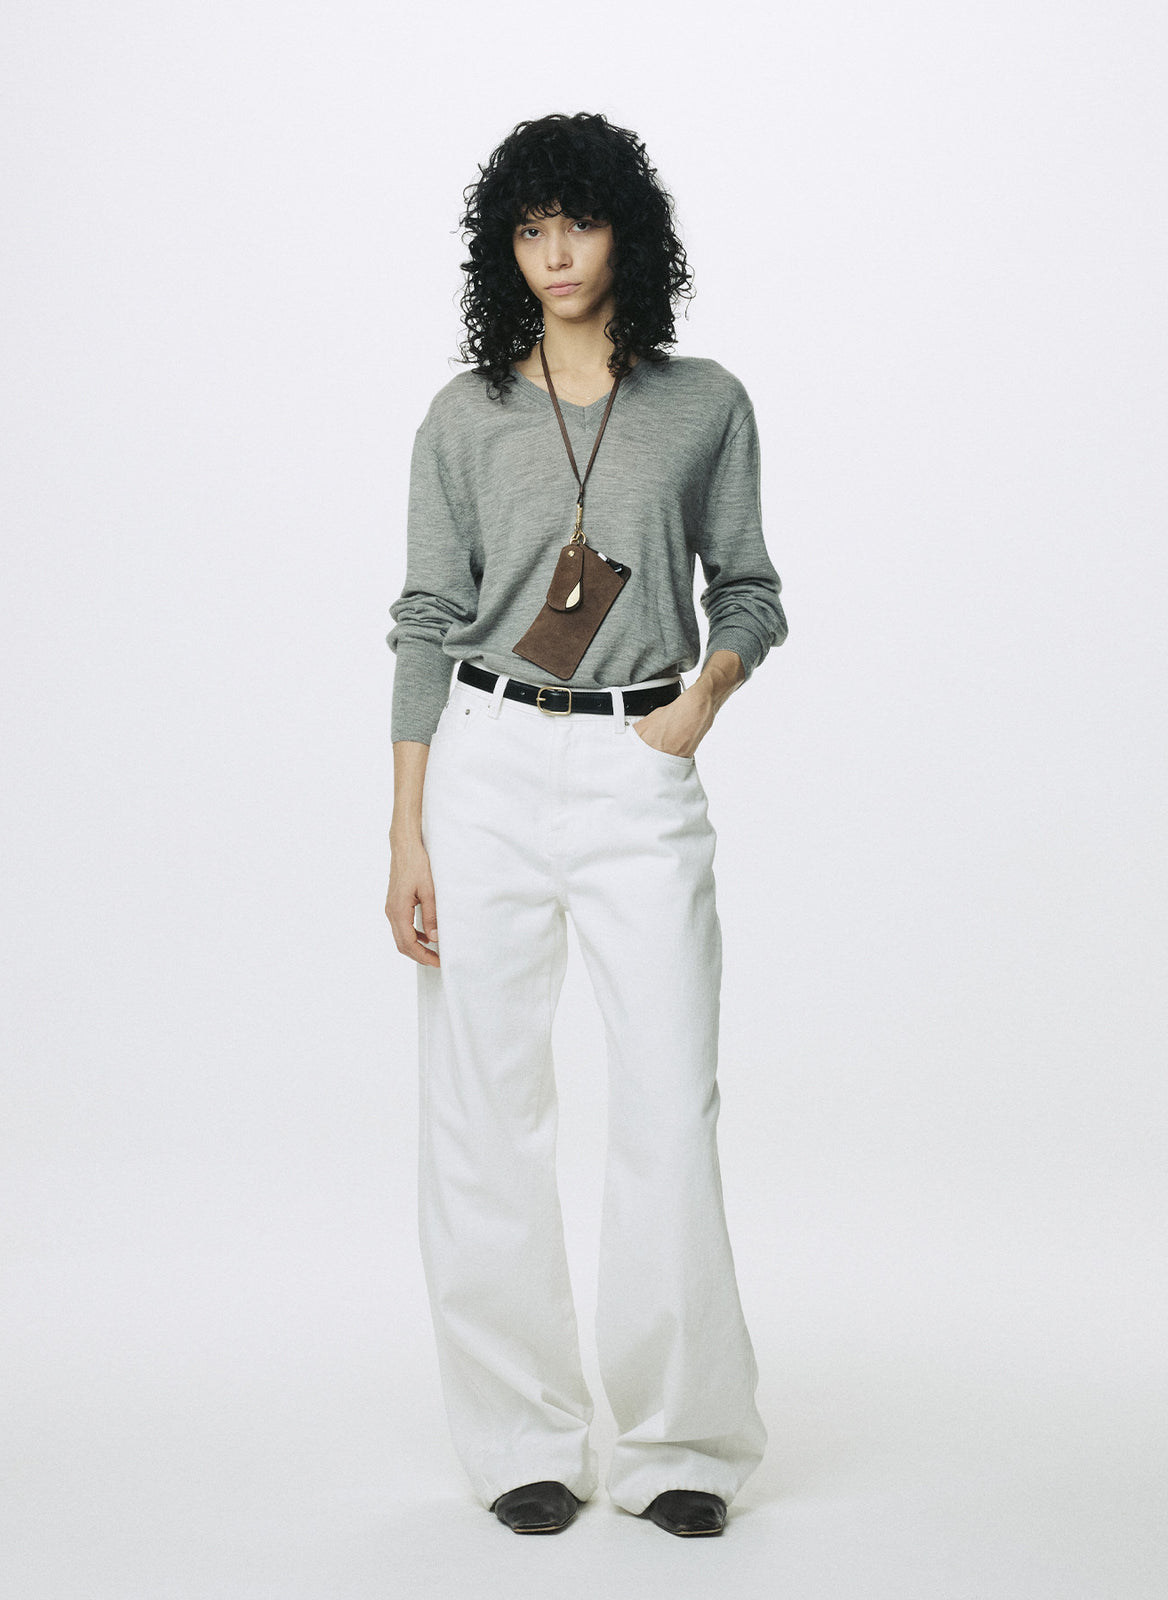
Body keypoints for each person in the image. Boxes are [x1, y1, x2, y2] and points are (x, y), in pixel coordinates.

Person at [385, 111, 788, 1538]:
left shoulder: (704, 403)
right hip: (486, 765)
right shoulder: (464, 415)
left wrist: (700, 702)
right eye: (530, 229)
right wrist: (408, 831)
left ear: (630, 235)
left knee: (668, 1101)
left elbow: (751, 588)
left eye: (581, 223)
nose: (556, 253)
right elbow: (426, 618)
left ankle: (684, 1444)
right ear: (505, 248)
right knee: (484, 1110)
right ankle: (521, 1440)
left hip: (636, 766)